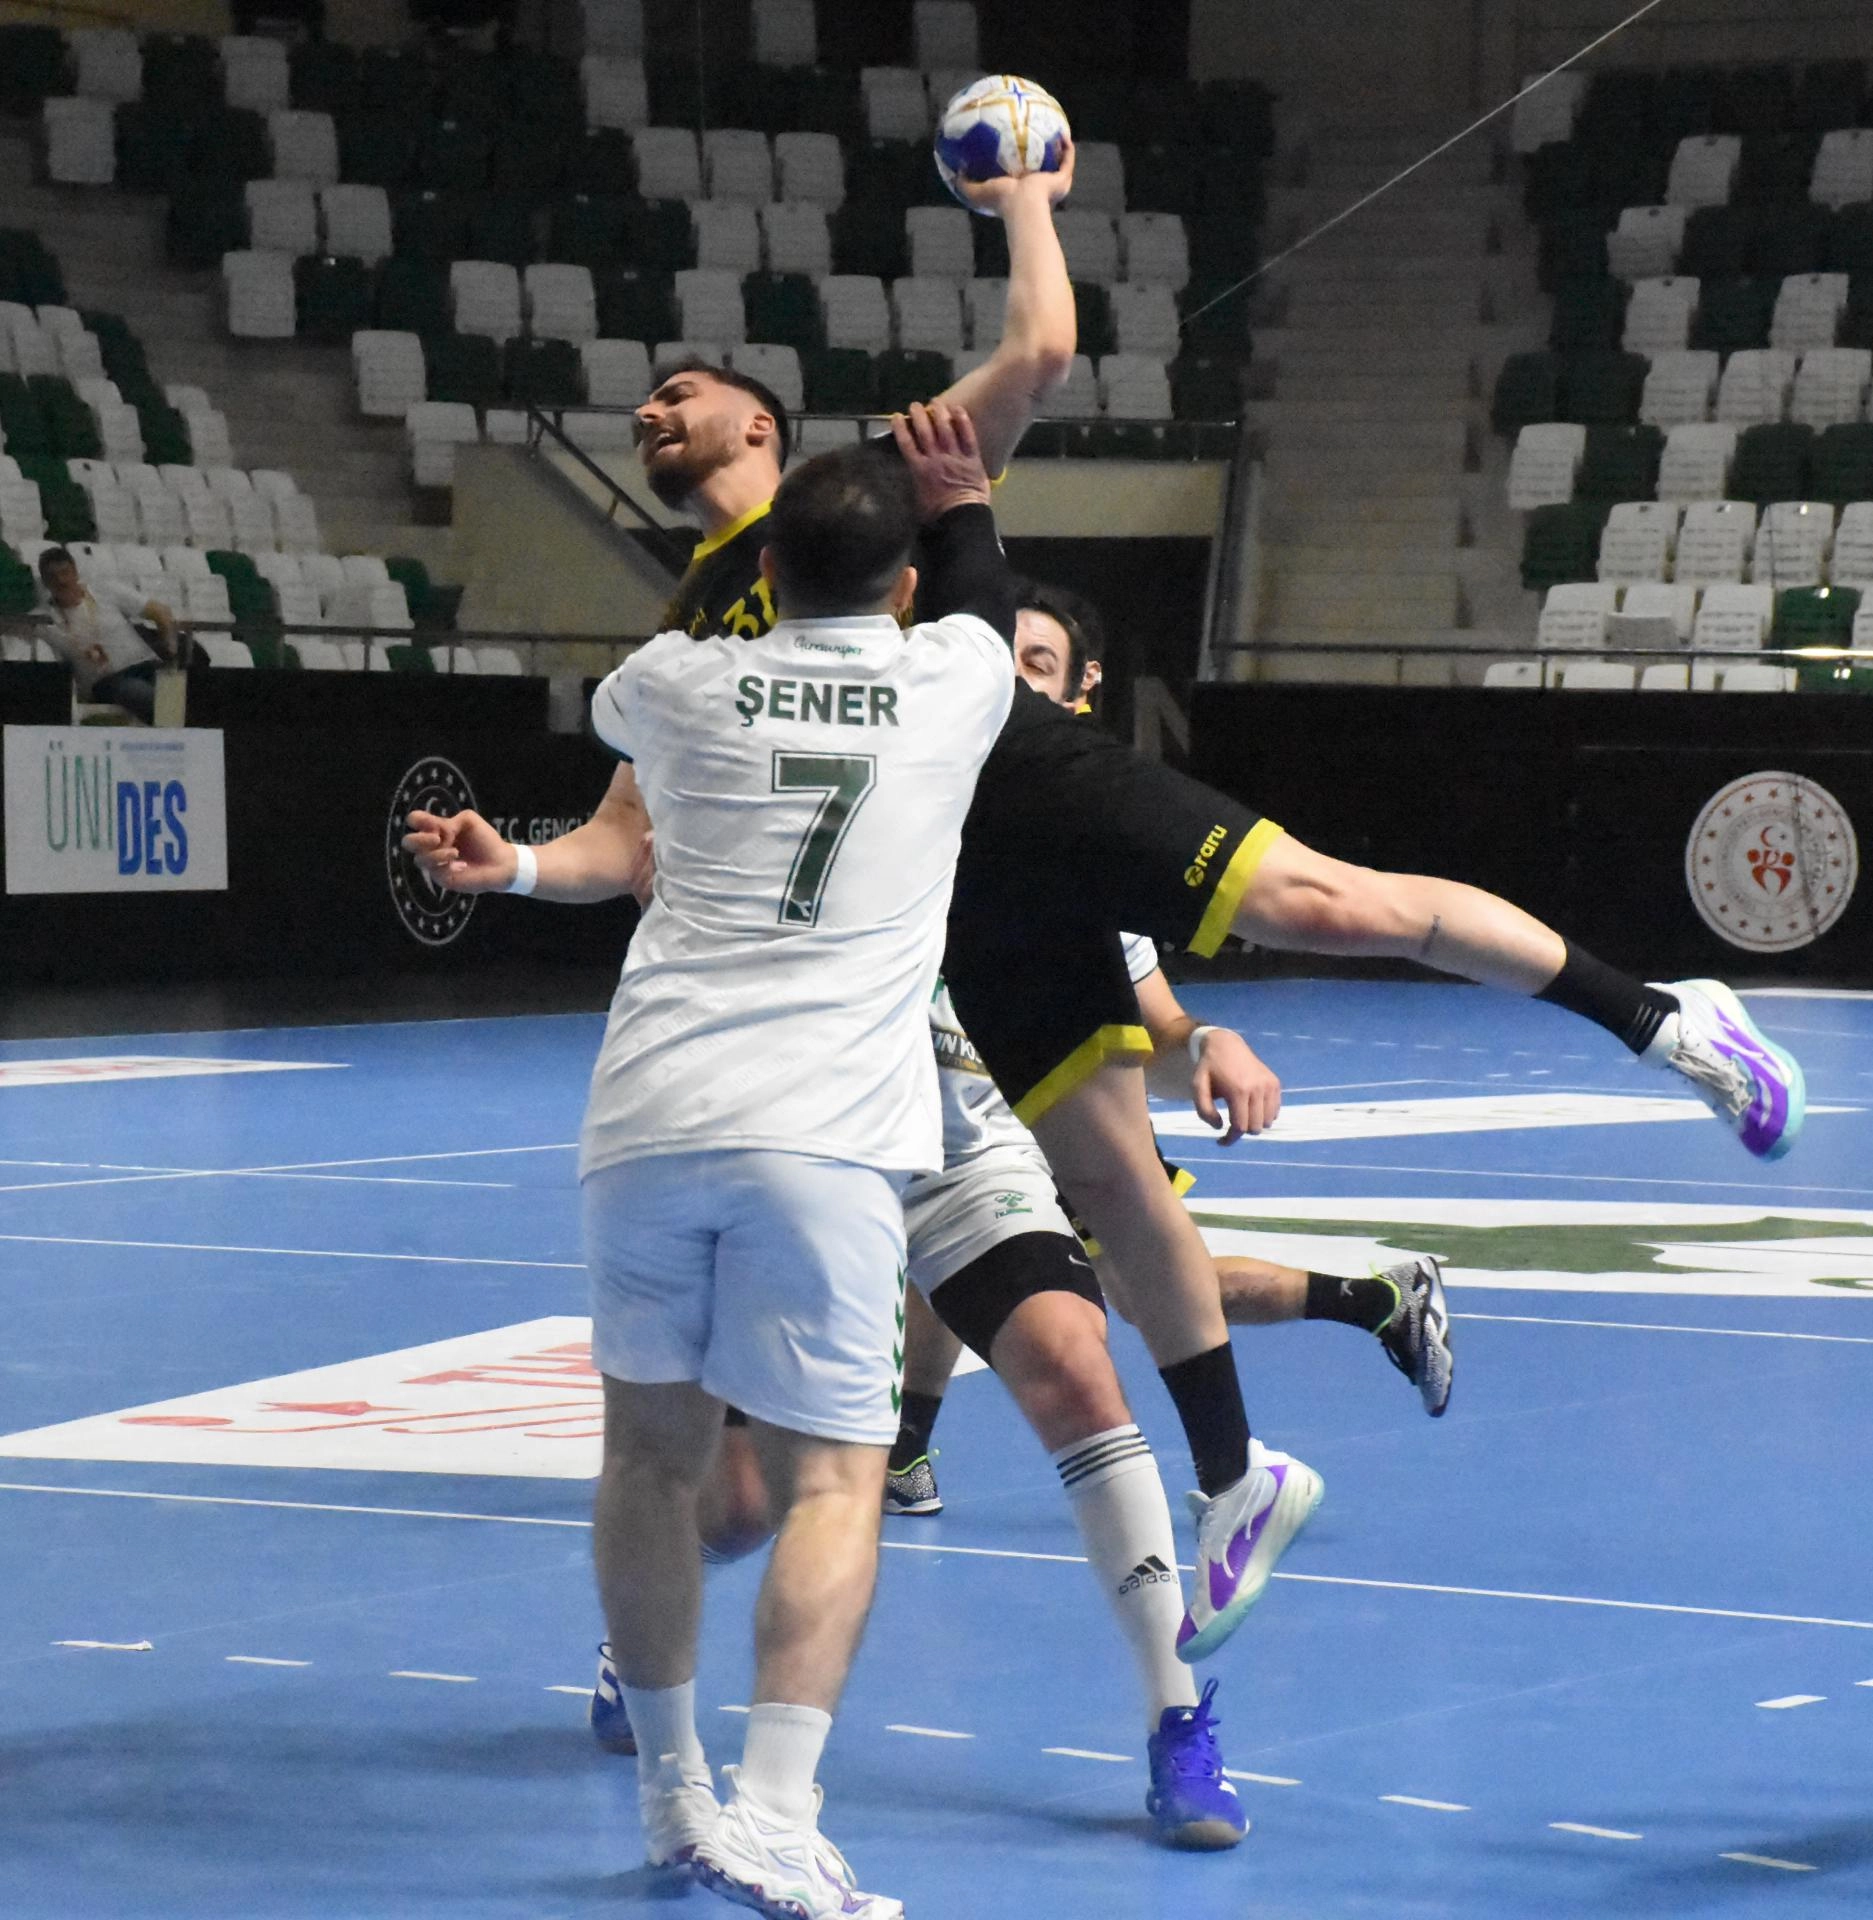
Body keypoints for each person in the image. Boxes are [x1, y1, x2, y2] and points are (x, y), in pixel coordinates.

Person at [406, 429, 1015, 1919]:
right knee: (836, 1478)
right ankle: (779, 1818)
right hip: (828, 1137)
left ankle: (673, 1796)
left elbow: (633, 760)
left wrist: (522, 859)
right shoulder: (954, 681)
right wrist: (965, 501)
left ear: (765, 571)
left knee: (648, 1460)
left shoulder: (674, 680)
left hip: (651, 1116)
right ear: (904, 586)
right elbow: (984, 606)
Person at [36, 546, 191, 722]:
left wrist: (170, 649)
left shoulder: (105, 591)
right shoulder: (44, 619)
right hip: (106, 681)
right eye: (53, 577)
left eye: (65, 573)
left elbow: (160, 611)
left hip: (147, 664)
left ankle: (180, 728)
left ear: (76, 572)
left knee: (181, 691)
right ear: (45, 582)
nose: (61, 581)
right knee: (139, 692)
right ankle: (175, 729)